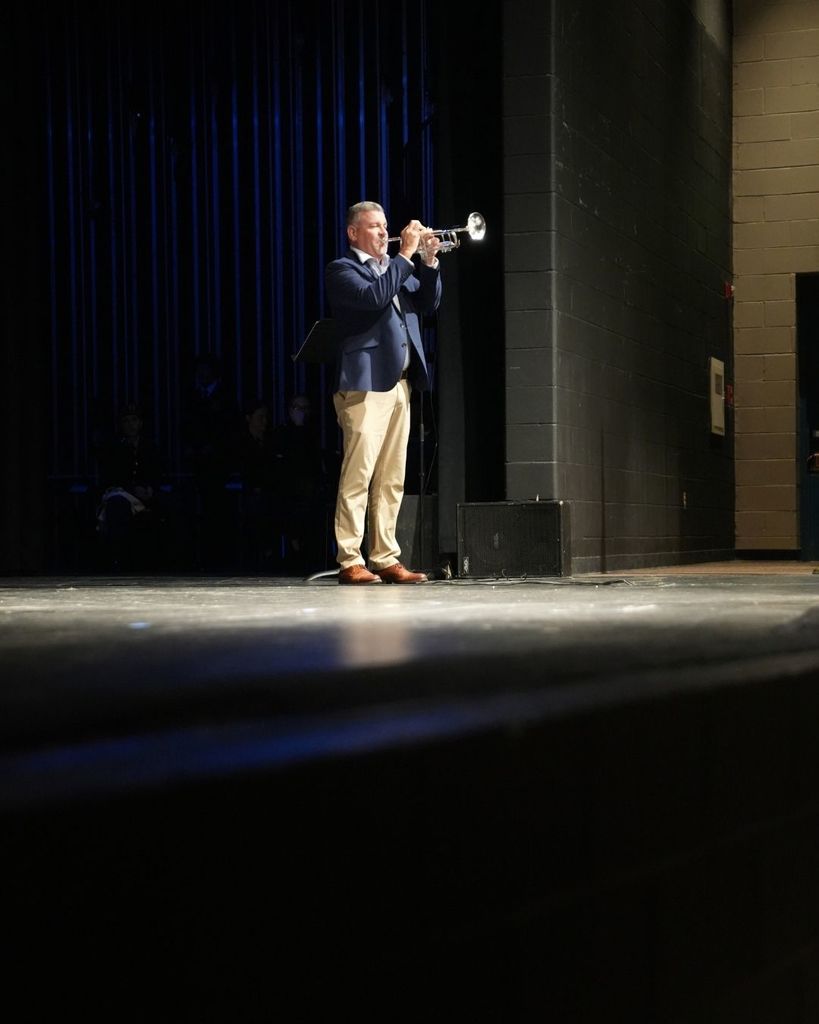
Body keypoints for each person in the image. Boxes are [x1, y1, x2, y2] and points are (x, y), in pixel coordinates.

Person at [325, 201, 441, 584]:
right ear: (353, 233)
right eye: (373, 227)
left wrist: (428, 262)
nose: (382, 233)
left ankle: (385, 556)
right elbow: (373, 299)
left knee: (392, 477)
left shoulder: (396, 270)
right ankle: (349, 559)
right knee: (359, 474)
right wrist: (406, 255)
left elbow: (428, 303)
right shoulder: (343, 270)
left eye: (385, 225)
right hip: (364, 384)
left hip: (399, 386)